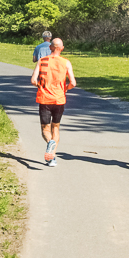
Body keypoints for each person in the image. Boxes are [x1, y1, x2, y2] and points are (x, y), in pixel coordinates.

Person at [30, 38, 76, 167]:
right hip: (59, 99)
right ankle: (52, 157)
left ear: (50, 47)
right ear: (62, 48)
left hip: (44, 99)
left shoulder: (42, 61)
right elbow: (73, 83)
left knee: (45, 128)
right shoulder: (66, 62)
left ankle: (50, 145)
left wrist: (41, 86)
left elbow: (33, 80)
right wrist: (65, 89)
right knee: (55, 126)